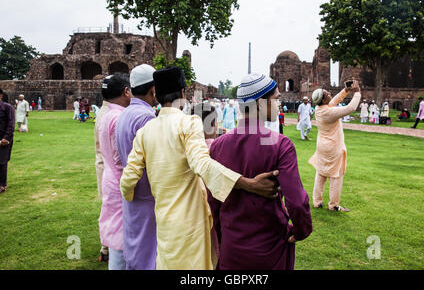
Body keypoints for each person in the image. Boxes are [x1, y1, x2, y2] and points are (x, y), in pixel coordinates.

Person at [120, 67, 279, 270]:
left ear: (156, 95)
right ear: (183, 94)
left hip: (164, 220)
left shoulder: (145, 131)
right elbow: (201, 163)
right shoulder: (188, 123)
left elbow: (128, 178)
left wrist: (129, 195)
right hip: (190, 221)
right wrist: (247, 184)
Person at [208, 73, 312, 270]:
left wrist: (223, 236)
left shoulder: (218, 146)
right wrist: (301, 230)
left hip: (232, 245)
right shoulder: (281, 145)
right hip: (270, 247)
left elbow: (213, 202)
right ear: (259, 103)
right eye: (276, 98)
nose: (279, 103)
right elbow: (297, 202)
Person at [115, 64, 158, 270]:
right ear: (153, 90)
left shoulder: (124, 114)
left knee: (135, 246)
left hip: (131, 190)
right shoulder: (146, 118)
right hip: (146, 192)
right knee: (147, 250)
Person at [309, 80, 361, 212]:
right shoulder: (329, 113)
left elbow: (334, 101)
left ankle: (317, 201)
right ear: (324, 99)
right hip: (333, 147)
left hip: (322, 147)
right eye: (328, 94)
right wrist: (357, 92)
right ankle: (333, 205)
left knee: (320, 173)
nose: (330, 94)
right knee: (336, 175)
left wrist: (346, 90)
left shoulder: (319, 108)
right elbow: (351, 108)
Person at [98, 73, 132, 270]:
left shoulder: (106, 115)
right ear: (126, 91)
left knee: (114, 227)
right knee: (120, 236)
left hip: (110, 177)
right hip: (120, 179)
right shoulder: (119, 118)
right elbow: (123, 158)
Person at [94, 81, 112, 262]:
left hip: (105, 169)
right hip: (109, 171)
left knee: (108, 209)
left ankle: (106, 248)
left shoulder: (104, 112)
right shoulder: (110, 115)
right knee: (111, 210)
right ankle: (106, 248)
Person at [0, 89, 15, 194]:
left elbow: (10, 124)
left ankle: (2, 184)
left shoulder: (7, 107)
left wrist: (6, 138)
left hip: (4, 139)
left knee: (2, 162)